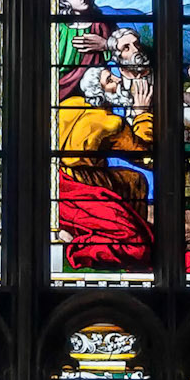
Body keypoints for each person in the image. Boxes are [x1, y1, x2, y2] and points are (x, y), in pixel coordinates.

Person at [57, 63, 155, 270]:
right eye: (110, 80)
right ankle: (74, 244)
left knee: (133, 180)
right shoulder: (110, 123)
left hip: (56, 181)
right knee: (137, 247)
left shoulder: (70, 104)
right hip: (83, 188)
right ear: (99, 92)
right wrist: (142, 113)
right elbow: (142, 152)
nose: (118, 80)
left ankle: (130, 222)